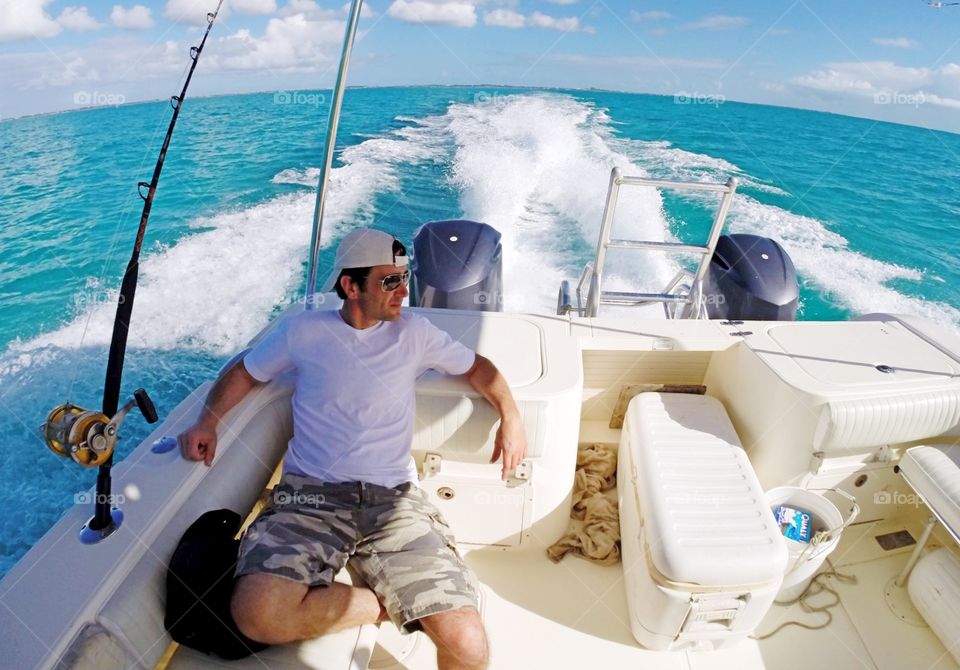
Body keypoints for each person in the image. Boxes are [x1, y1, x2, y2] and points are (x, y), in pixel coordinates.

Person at [179, 227, 526, 670]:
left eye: (404, 277)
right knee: (257, 615)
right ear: (350, 286)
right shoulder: (303, 332)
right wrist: (207, 421)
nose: (403, 291)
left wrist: (511, 416)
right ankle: (391, 604)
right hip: (310, 498)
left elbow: (479, 368)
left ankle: (411, 601)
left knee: (468, 646)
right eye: (389, 281)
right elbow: (245, 372)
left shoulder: (415, 333)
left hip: (394, 503)